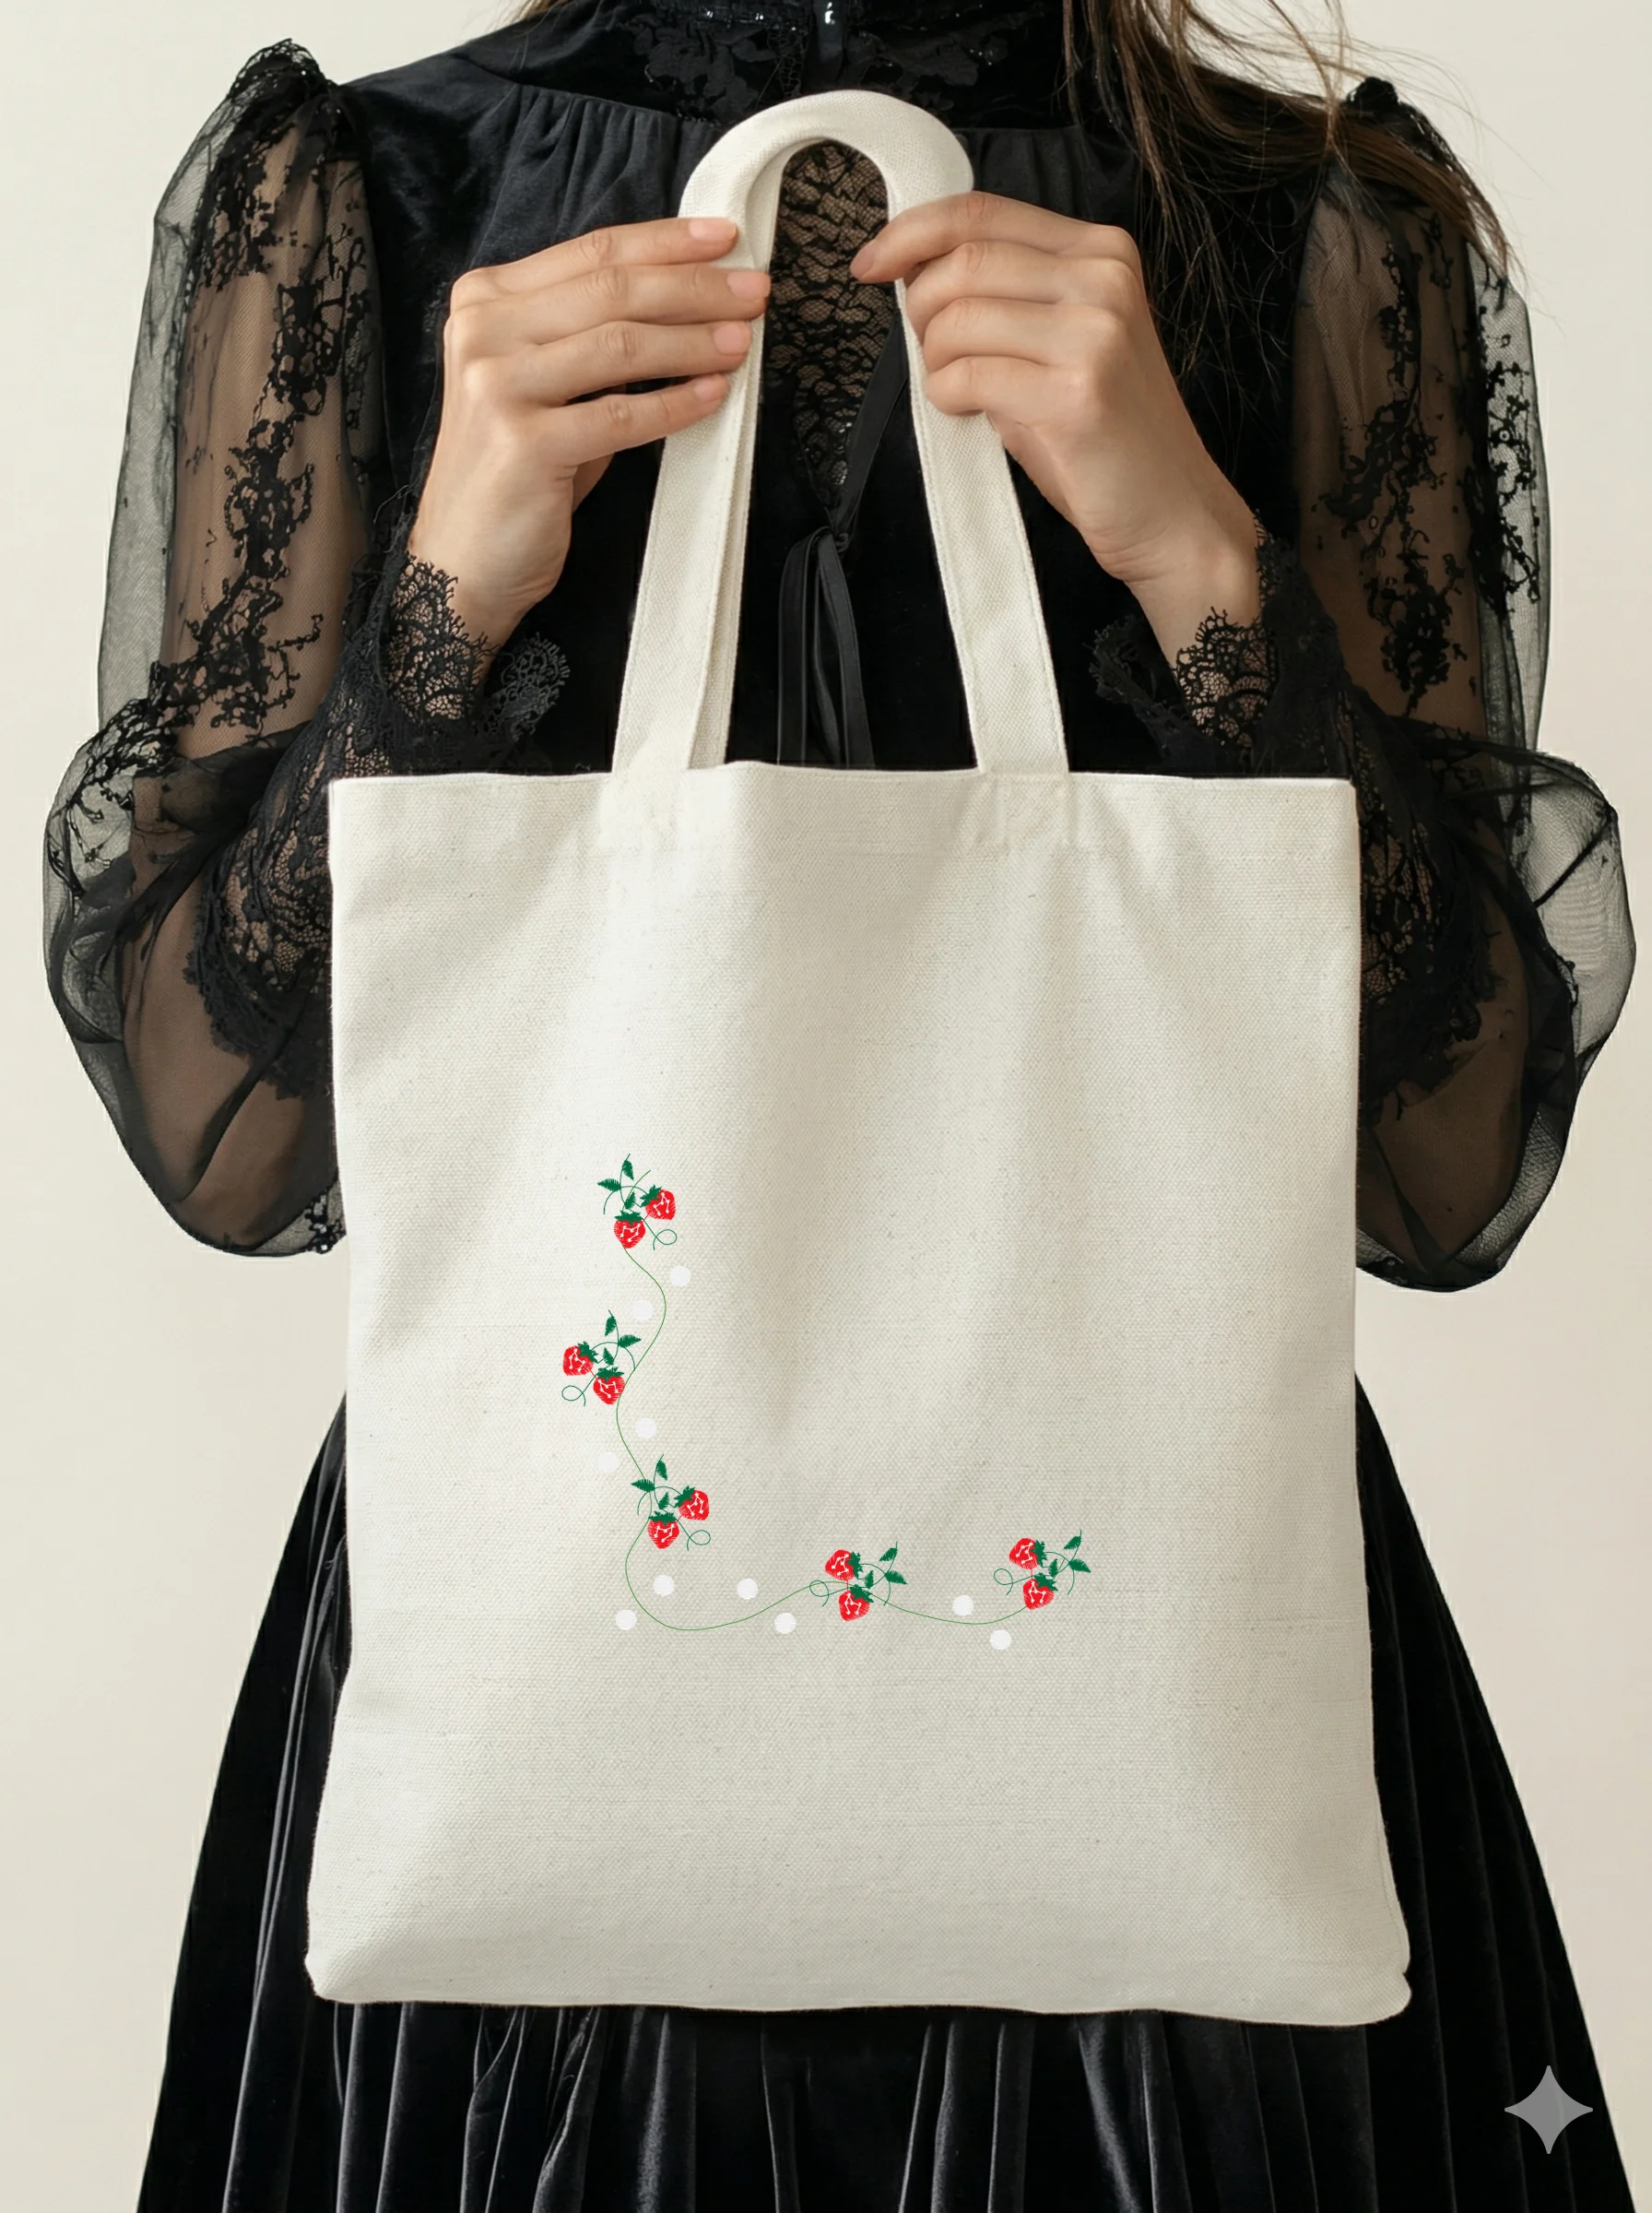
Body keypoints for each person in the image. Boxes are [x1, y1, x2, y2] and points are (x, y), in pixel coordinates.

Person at [42, 1, 1637, 2206]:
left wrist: (1202, 568)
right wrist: (442, 600)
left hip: (1154, 1662)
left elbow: (1434, 1171)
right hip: (547, 1643)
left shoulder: (1314, 226)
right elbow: (228, 1137)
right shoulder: (368, 202)